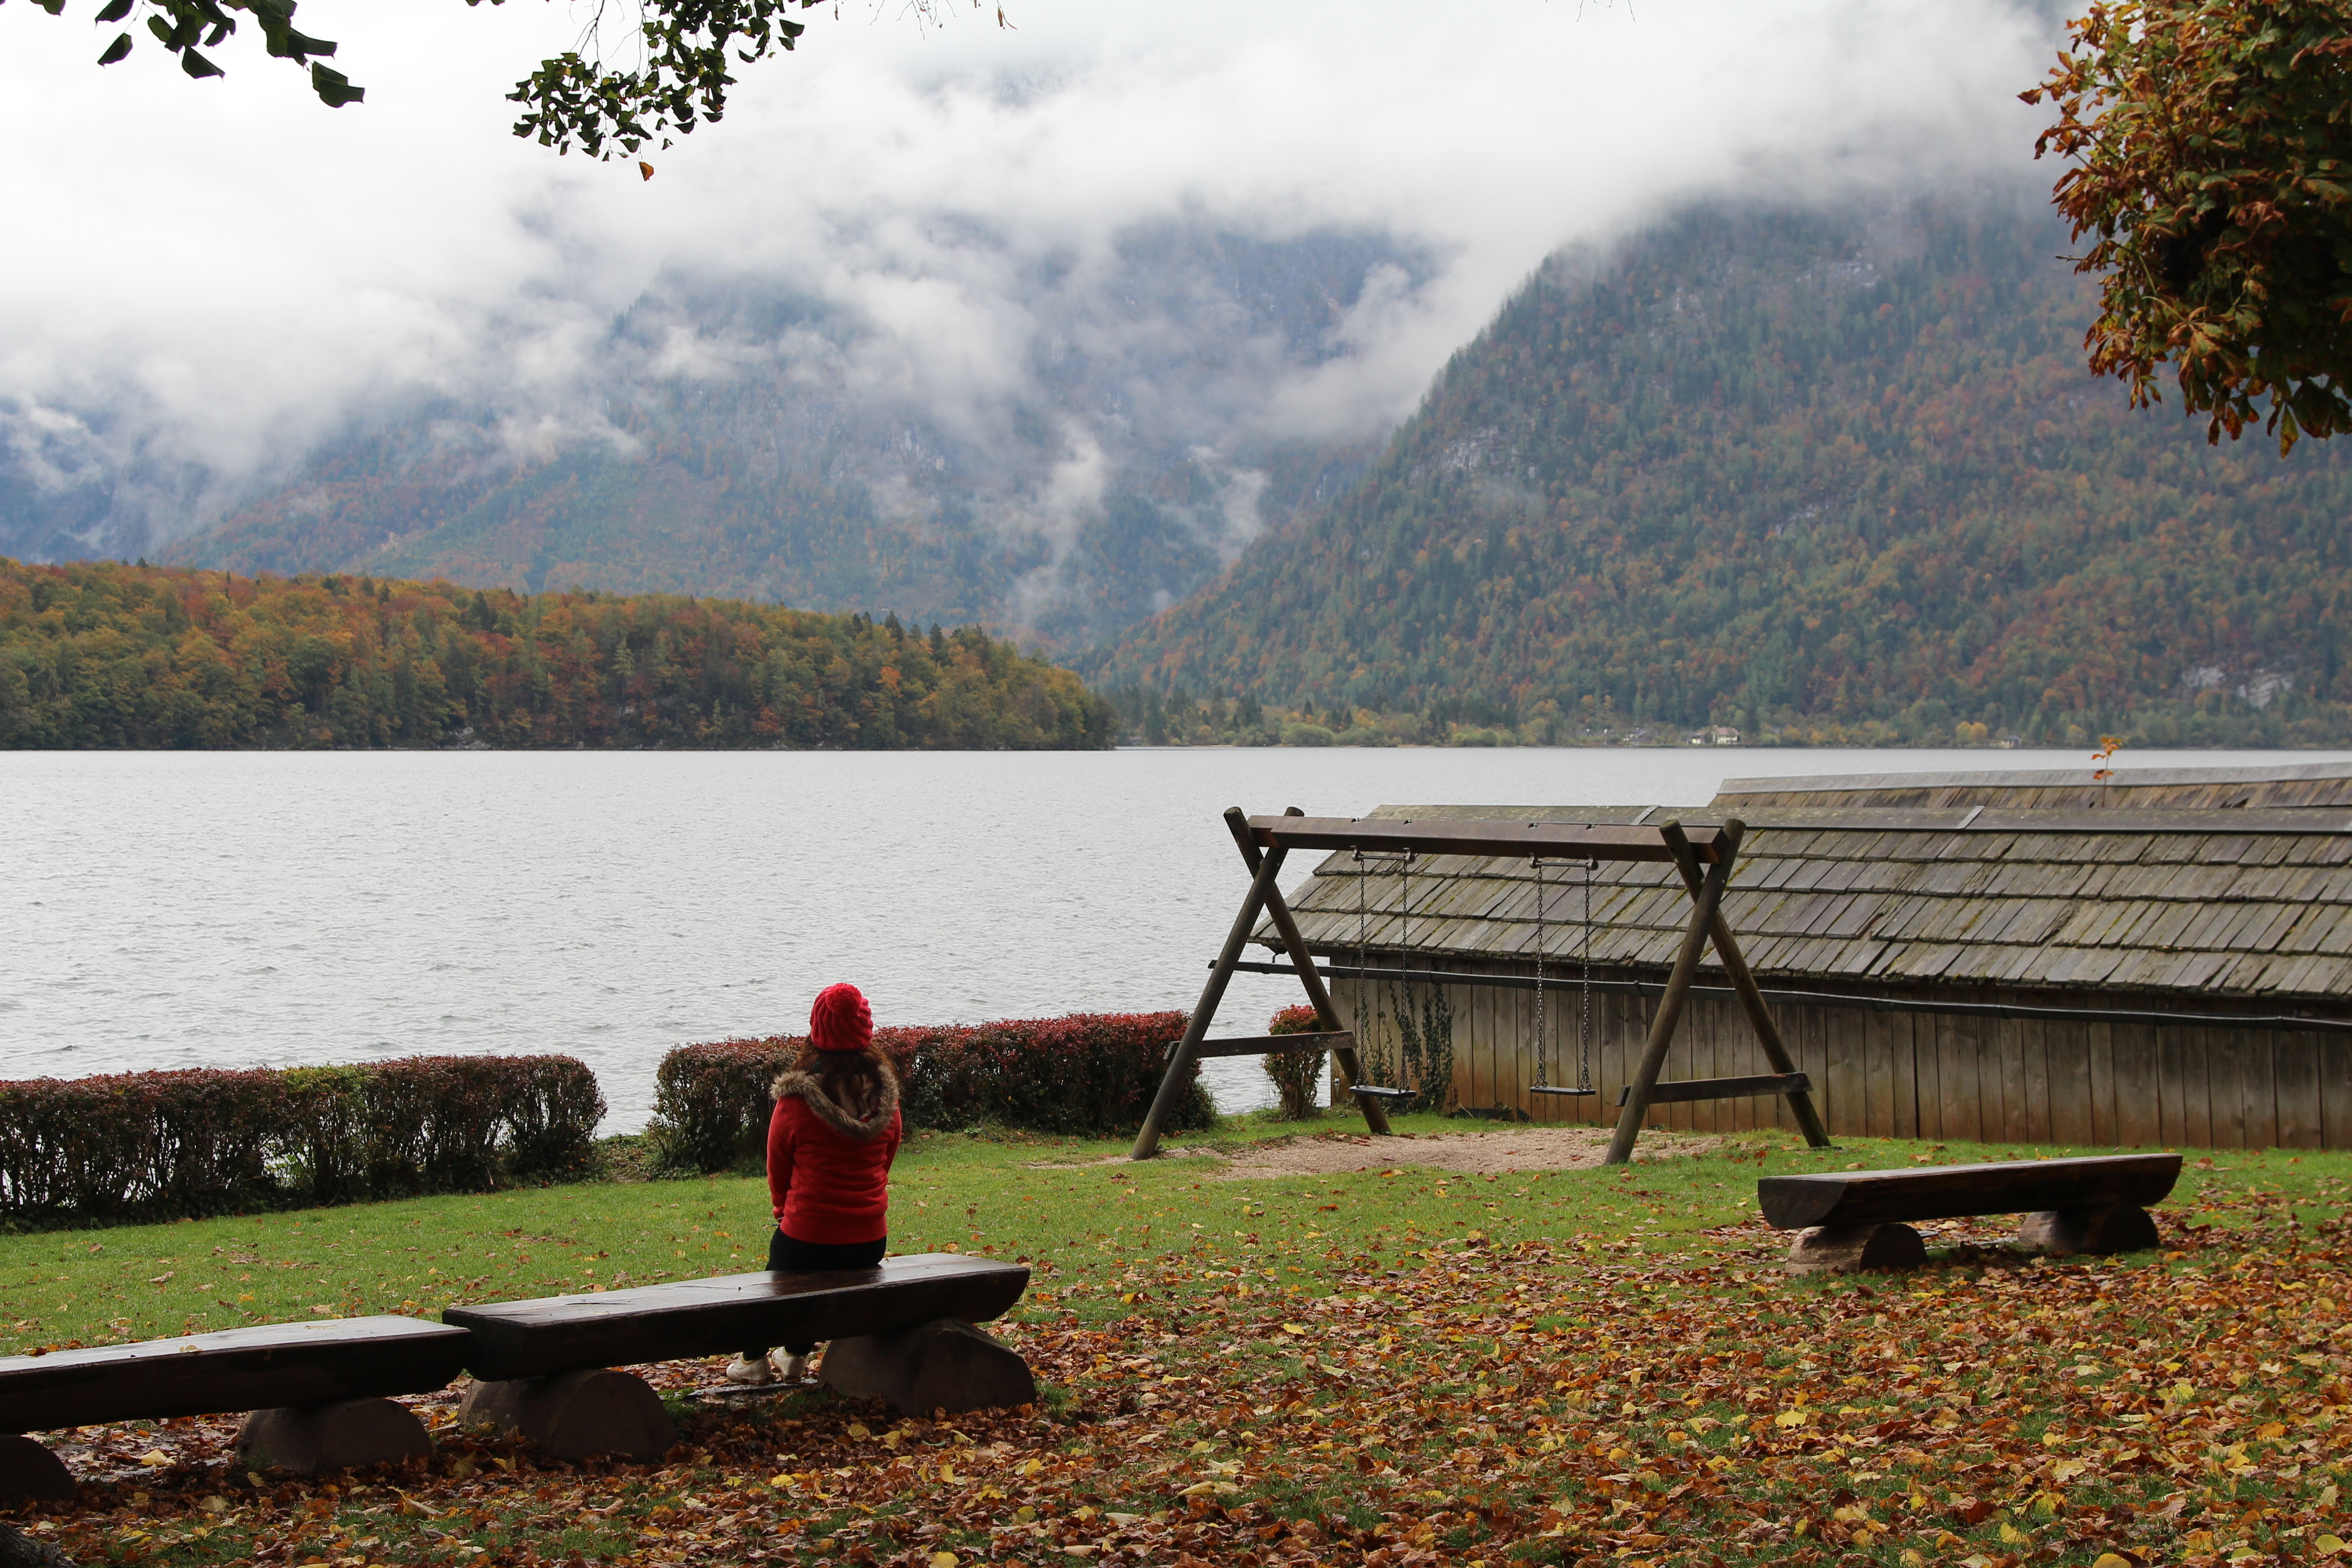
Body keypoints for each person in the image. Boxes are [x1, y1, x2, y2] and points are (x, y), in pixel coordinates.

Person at [726, 981, 904, 1385]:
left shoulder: (797, 1100)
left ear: (817, 1031)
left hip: (809, 1233)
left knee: (778, 1282)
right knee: (808, 1274)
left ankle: (754, 1361)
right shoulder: (883, 1097)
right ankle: (794, 1354)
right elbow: (887, 1156)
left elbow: (778, 1165)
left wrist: (781, 1210)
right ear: (865, 1030)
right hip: (869, 1239)